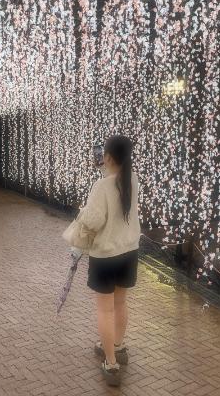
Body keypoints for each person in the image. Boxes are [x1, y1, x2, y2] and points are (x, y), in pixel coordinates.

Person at [77, 135, 141, 386]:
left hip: (105, 255)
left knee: (105, 309)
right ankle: (118, 346)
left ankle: (111, 363)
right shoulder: (133, 179)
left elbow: (92, 222)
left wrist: (82, 214)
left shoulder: (101, 186)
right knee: (120, 303)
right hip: (129, 252)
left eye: (103, 154)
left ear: (108, 157)